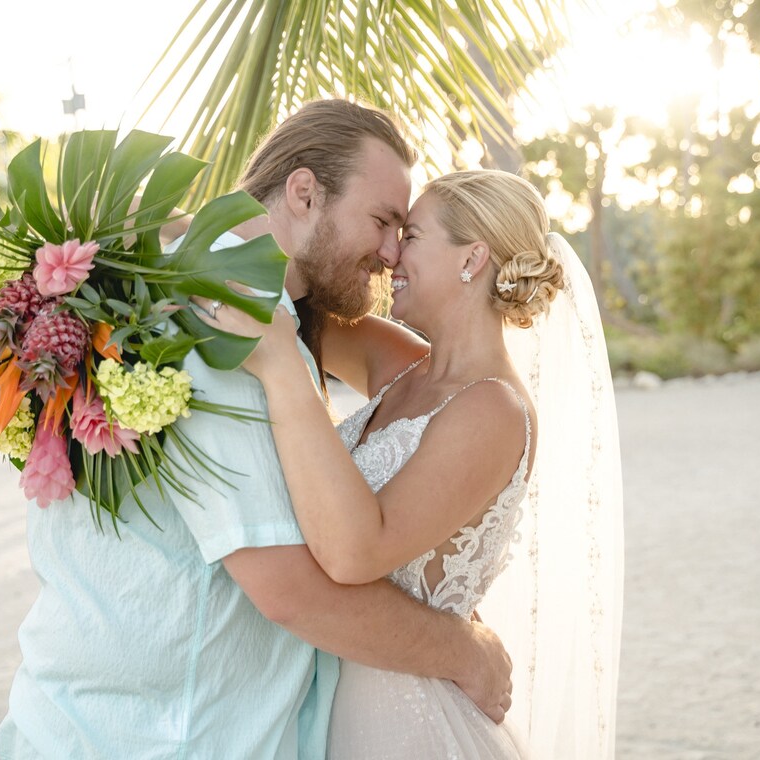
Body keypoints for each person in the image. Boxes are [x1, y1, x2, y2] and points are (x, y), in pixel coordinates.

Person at [0, 100, 514, 760]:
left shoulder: (154, 282)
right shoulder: (233, 325)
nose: (389, 252)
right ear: (303, 192)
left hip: (78, 716)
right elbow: (291, 592)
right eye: (382, 221)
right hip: (174, 736)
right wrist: (465, 651)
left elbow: (438, 382)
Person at [196, 169, 625, 758]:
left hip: (408, 721)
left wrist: (284, 374)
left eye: (412, 235)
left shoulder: (493, 410)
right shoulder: (405, 363)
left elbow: (356, 553)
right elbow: (288, 297)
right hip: (337, 709)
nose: (391, 254)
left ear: (472, 258)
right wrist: (172, 230)